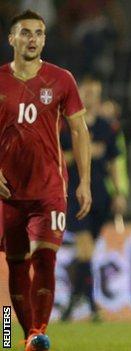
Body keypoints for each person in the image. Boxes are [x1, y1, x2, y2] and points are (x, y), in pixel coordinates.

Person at [0, 9, 91, 351]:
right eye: (25, 33)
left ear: (44, 39)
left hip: (50, 188)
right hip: (8, 191)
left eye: (38, 33)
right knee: (17, 265)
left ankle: (38, 331)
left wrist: (84, 181)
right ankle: (23, 336)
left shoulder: (61, 79)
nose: (33, 39)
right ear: (12, 39)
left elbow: (79, 129)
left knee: (46, 258)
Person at [60, 77, 126, 322]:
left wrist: (119, 193)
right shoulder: (66, 126)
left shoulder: (106, 127)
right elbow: (56, 158)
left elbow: (112, 163)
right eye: (88, 92)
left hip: (101, 196)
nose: (92, 97)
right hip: (75, 195)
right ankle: (92, 307)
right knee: (85, 249)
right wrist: (81, 151)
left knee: (86, 254)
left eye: (96, 92)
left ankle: (72, 302)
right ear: (78, 94)